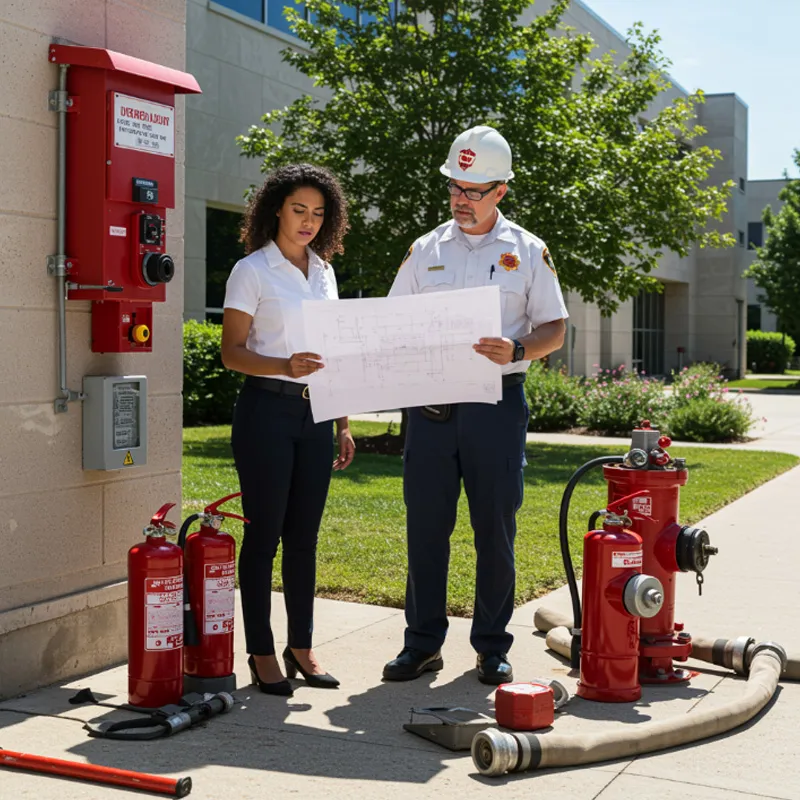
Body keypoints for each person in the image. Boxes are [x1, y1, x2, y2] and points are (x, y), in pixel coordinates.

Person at [383, 126, 568, 685]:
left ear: (501, 192)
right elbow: (392, 320)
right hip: (432, 412)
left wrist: (518, 348)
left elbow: (555, 328)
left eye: (474, 190)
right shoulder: (425, 249)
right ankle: (422, 644)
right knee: (426, 527)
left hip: (496, 407)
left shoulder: (529, 252)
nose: (461, 200)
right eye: (454, 188)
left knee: (495, 528)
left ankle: (491, 645)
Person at [221, 164, 355, 697]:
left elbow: (335, 353)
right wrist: (284, 366)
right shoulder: (252, 270)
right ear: (277, 207)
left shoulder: (324, 271)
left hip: (316, 416)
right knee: (263, 537)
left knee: (305, 538)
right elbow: (232, 353)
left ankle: (303, 646)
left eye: (319, 213)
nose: (308, 221)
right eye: (299, 209)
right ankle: (260, 652)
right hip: (265, 415)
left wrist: (343, 422)